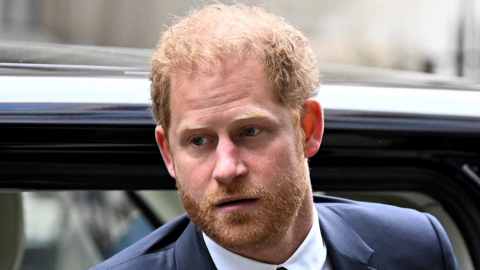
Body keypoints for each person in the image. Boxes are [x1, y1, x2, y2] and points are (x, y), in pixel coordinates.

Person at [91, 4, 458, 270]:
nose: (226, 169)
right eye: (199, 141)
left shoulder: (416, 249)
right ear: (168, 154)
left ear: (307, 129)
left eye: (250, 131)